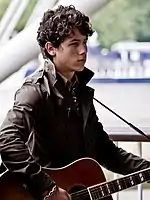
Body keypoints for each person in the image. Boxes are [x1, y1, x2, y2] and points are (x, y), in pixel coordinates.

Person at [0, 5, 150, 200]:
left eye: (85, 42)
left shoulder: (79, 92)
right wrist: (48, 189)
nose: (83, 51)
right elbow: (7, 140)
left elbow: (105, 150)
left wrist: (147, 169)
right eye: (74, 44)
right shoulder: (34, 91)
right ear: (51, 48)